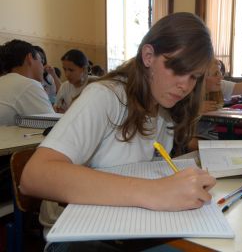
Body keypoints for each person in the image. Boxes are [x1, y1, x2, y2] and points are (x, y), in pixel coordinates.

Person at [20, 13, 216, 229]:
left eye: (194, 77)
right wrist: (155, 191)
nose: (185, 86)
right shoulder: (106, 96)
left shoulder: (166, 106)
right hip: (76, 231)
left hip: (127, 227)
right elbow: (34, 176)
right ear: (148, 56)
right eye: (178, 69)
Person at [187, 58, 242, 150]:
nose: (221, 77)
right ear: (201, 78)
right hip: (192, 136)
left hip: (213, 135)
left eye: (220, 72)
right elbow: (174, 122)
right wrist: (194, 109)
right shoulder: (186, 90)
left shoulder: (220, 85)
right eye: (215, 74)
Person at [0, 39, 54, 126]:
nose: (42, 67)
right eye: (41, 61)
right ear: (30, 58)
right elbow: (52, 126)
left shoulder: (3, 80)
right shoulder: (29, 85)